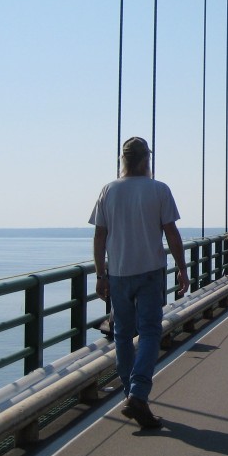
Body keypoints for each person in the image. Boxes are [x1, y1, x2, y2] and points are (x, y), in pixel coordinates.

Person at [90, 136, 190, 430]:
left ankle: (131, 396)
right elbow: (171, 234)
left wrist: (100, 275)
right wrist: (183, 270)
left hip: (118, 274)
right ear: (146, 160)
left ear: (123, 160)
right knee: (148, 332)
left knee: (122, 335)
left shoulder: (108, 190)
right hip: (150, 272)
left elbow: (99, 235)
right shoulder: (159, 189)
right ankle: (137, 394)